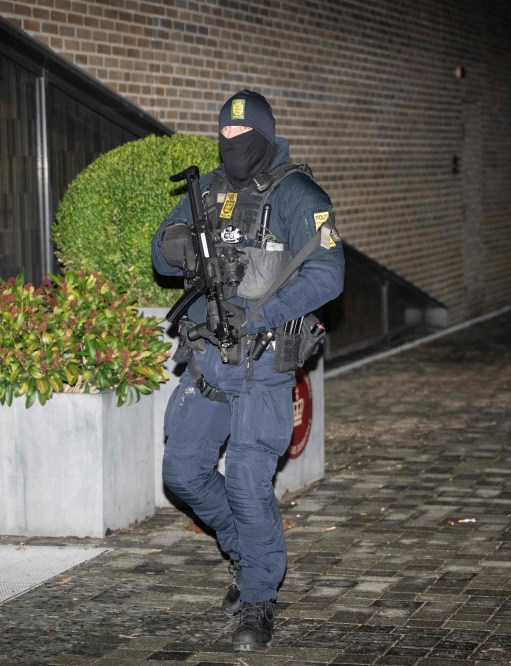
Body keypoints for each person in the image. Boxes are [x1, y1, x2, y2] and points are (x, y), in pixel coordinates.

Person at [151, 90, 344, 652]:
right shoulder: (208, 189)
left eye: (243, 134)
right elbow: (160, 253)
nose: (233, 142)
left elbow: (327, 274)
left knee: (246, 480)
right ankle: (244, 550)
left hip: (263, 362)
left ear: (265, 135)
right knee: (182, 472)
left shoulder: (298, 195)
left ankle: (258, 598)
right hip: (208, 359)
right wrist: (186, 248)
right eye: (226, 134)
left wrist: (258, 314)